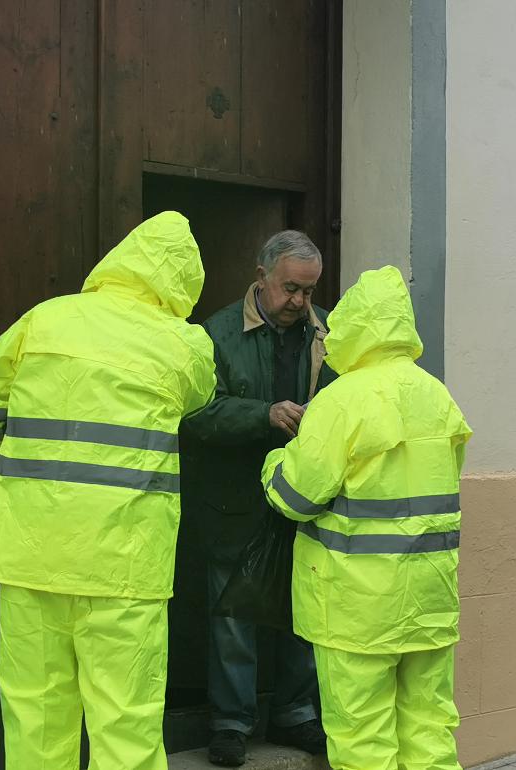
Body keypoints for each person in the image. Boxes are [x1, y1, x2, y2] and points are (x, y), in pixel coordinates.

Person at [0, 211, 217, 770]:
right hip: (125, 566)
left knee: (35, 723)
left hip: (29, 554)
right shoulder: (184, 343)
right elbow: (196, 400)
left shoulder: (44, 320)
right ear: (183, 282)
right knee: (126, 726)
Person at [261, 265, 472, 770]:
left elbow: (295, 496)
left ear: (357, 327)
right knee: (430, 729)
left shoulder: (341, 401)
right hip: (430, 598)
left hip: (356, 606)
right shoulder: (438, 396)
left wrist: (274, 462)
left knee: (361, 738)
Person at [181, 230, 333, 766]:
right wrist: (262, 415)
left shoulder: (328, 334)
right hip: (235, 500)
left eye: (309, 291)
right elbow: (192, 412)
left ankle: (295, 715)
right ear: (261, 275)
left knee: (304, 613)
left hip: (301, 497)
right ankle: (230, 725)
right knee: (232, 618)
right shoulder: (215, 333)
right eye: (290, 288)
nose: (299, 302)